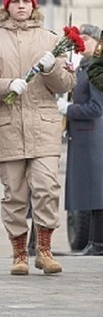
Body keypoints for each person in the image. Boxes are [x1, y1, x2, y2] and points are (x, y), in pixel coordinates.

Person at [0, 0, 75, 275]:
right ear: (7, 8)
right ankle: (18, 254)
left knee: (46, 187)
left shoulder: (51, 40)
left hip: (43, 126)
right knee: (14, 194)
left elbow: (66, 84)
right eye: (15, 2)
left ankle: (43, 250)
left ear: (34, 6)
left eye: (26, 2)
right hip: (8, 126)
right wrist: (5, 86)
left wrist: (53, 66)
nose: (21, 7)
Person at [59, 23, 103, 256]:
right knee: (91, 191)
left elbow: (96, 108)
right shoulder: (85, 67)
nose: (81, 41)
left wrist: (69, 109)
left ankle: (98, 244)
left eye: (86, 38)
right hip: (84, 138)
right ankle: (92, 243)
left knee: (98, 191)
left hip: (94, 138)